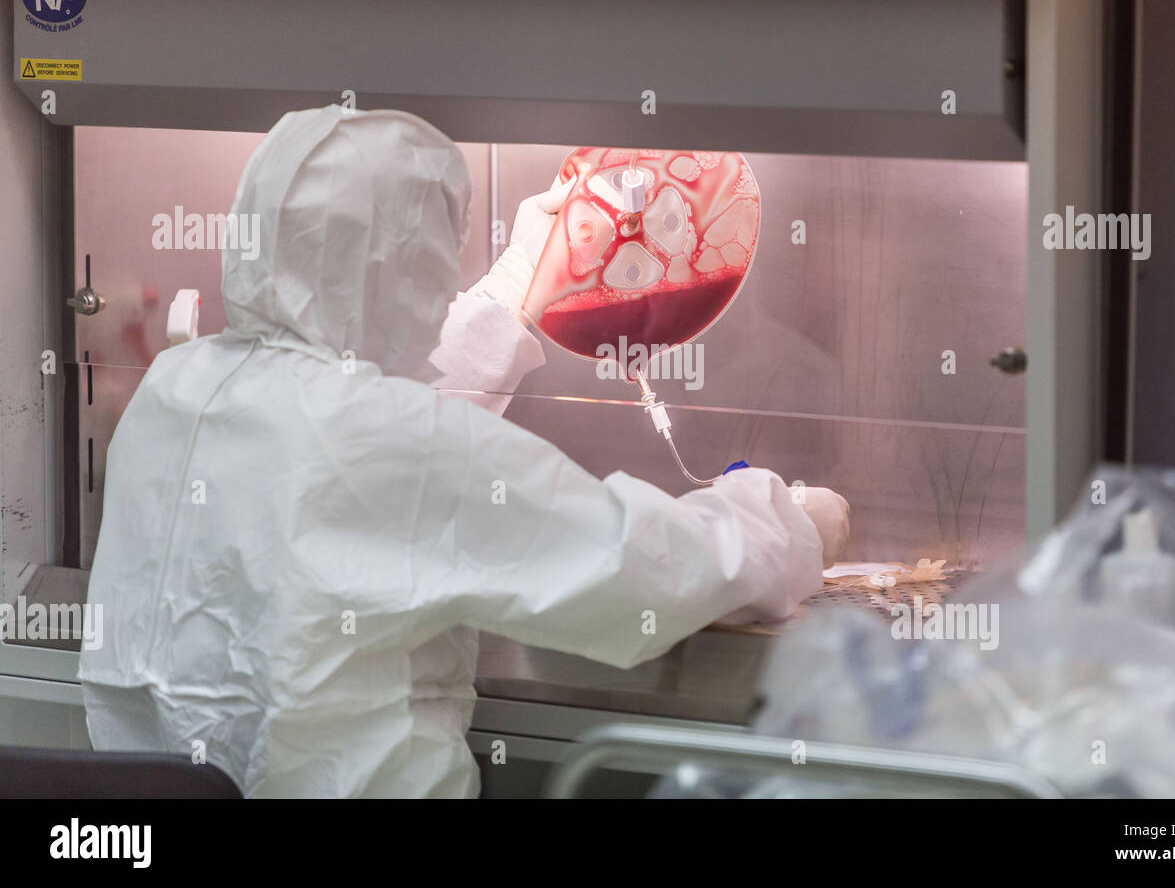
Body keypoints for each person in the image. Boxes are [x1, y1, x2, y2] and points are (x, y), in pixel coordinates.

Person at [79, 106, 850, 797]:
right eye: (438, 248)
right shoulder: (380, 436)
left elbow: (360, 406)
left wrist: (517, 286)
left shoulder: (178, 386)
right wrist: (786, 524)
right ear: (404, 266)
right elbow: (635, 570)